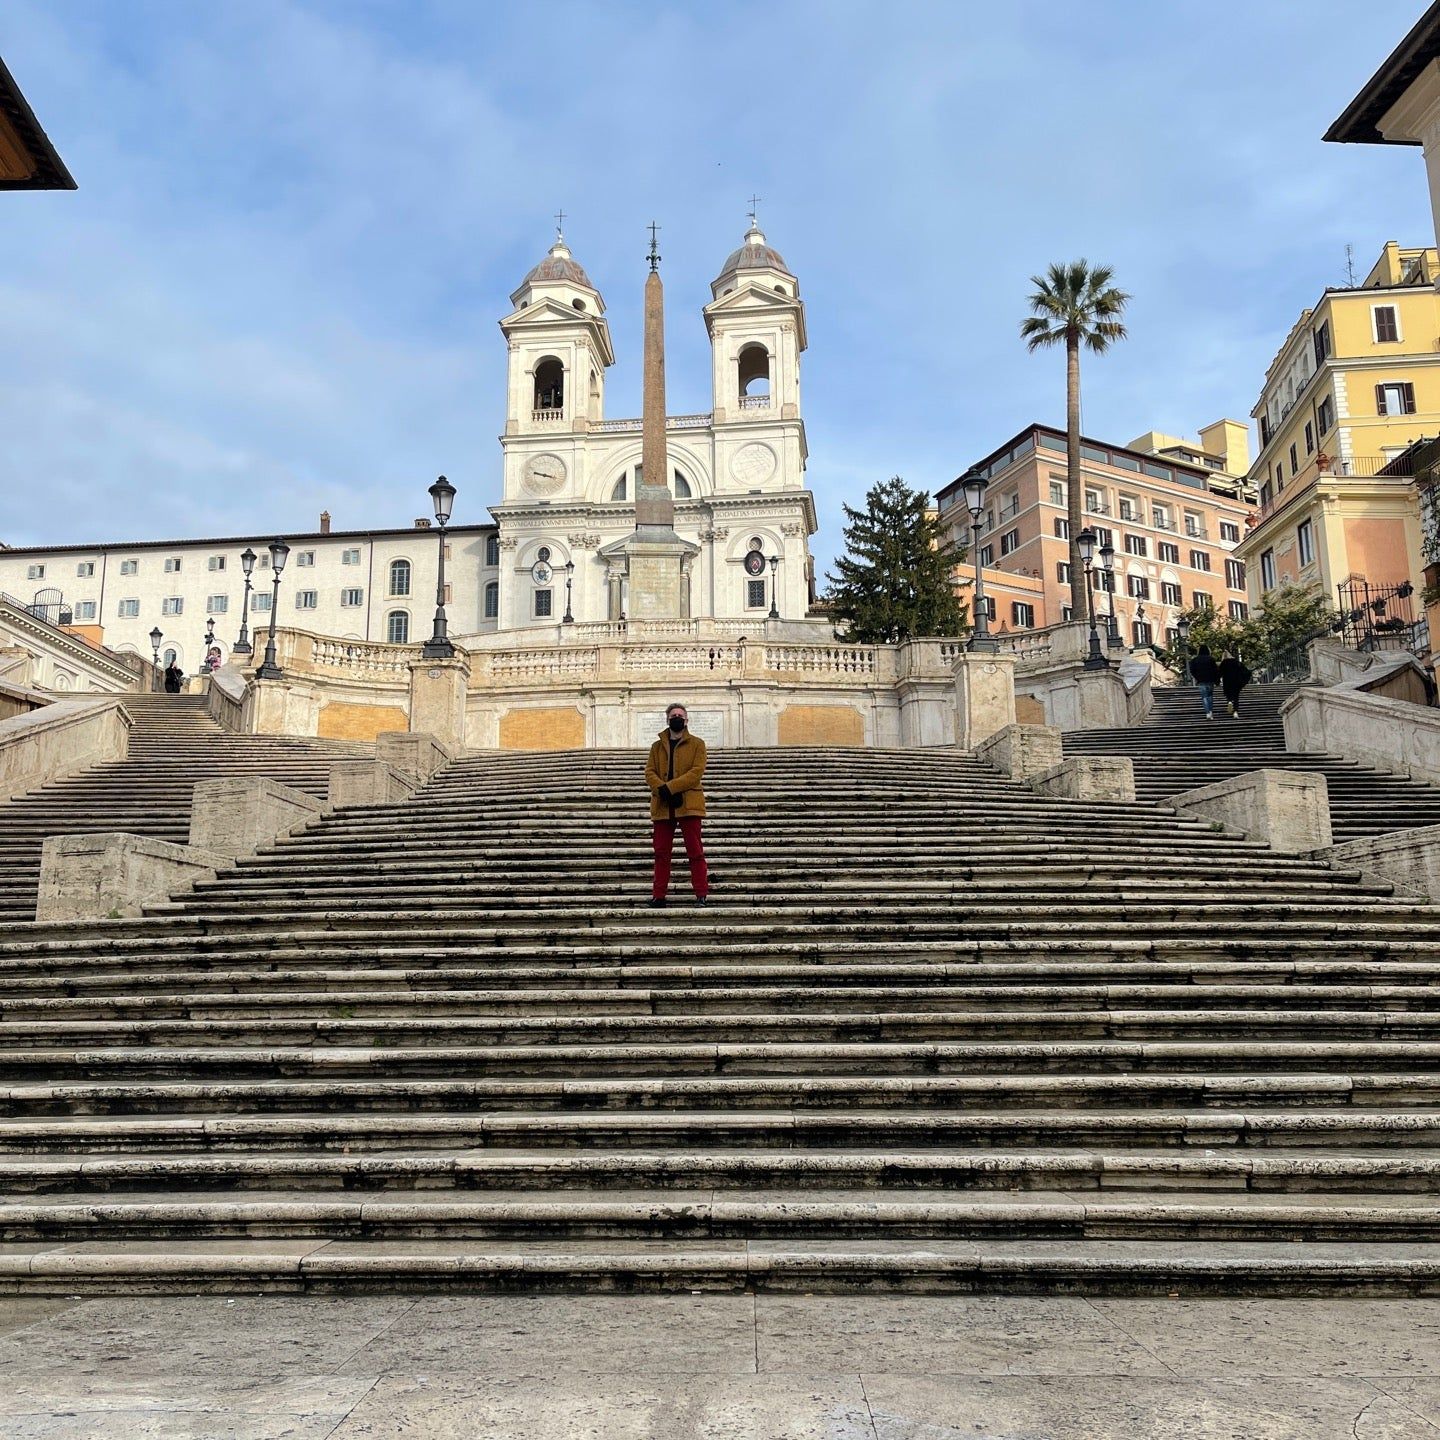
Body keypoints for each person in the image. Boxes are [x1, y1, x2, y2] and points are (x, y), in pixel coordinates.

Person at [645, 702, 709, 907]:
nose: (677, 717)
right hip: (663, 805)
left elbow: (696, 773)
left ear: (686, 719)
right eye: (673, 715)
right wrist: (661, 789)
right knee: (661, 853)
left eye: (680, 715)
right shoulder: (656, 746)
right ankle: (659, 895)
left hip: (688, 803)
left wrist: (669, 787)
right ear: (667, 719)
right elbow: (649, 772)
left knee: (695, 851)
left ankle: (701, 893)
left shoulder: (698, 744)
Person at [1188, 643, 1219, 720]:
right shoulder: (1211, 659)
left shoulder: (1195, 660)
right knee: (1210, 696)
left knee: (1204, 697)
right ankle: (1211, 711)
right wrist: (1217, 680)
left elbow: (1192, 670)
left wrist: (1197, 677)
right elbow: (1215, 670)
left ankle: (1207, 712)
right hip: (1210, 680)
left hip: (1201, 681)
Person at [1219, 647, 1252, 718]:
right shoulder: (1236, 662)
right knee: (1236, 697)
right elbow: (1246, 671)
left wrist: (1217, 681)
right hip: (1236, 682)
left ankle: (1229, 701)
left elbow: (1219, 673)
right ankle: (1236, 712)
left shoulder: (1223, 663)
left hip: (1227, 682)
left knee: (1228, 695)